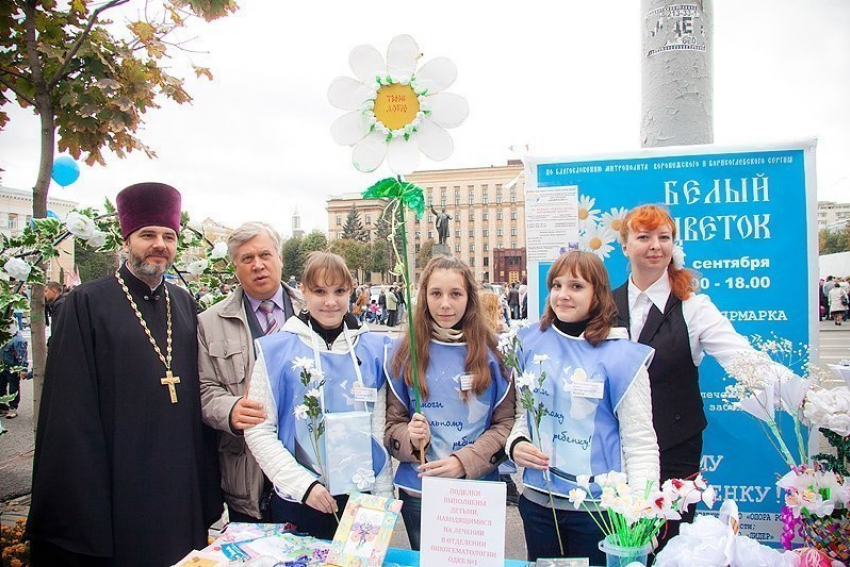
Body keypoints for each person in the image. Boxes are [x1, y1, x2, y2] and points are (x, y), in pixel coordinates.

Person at [27, 182, 222, 567]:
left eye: (168, 236)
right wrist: (86, 492)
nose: (159, 245)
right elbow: (69, 407)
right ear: (126, 239)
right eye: (147, 235)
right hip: (117, 476)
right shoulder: (86, 302)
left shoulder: (183, 302)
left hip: (178, 476)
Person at [611, 204, 794, 546]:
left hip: (675, 448)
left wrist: (803, 396)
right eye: (644, 237)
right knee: (623, 544)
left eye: (664, 237)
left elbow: (743, 358)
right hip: (615, 449)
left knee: (667, 545)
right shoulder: (606, 304)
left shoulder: (694, 306)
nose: (655, 245)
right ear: (625, 246)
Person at [506, 251, 658, 564]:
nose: (562, 295)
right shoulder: (531, 342)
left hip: (598, 514)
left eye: (576, 286)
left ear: (598, 294)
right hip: (538, 504)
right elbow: (526, 415)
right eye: (556, 285)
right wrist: (516, 444)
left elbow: (640, 442)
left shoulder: (621, 356)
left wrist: (641, 513)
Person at [244, 252, 394, 540]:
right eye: (320, 291)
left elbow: (378, 431)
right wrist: (303, 486)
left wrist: (382, 498)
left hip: (362, 499)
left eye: (339, 291)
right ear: (303, 290)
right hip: (301, 498)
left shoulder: (375, 349)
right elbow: (259, 429)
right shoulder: (276, 350)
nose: (330, 301)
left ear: (351, 291)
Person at [385, 256, 515, 550]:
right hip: (420, 490)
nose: (445, 304)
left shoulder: (495, 353)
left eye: (455, 294)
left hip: (476, 491)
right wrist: (409, 438)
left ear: (470, 298)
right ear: (424, 296)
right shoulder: (404, 351)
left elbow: (506, 424)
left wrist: (464, 462)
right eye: (436, 294)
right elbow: (392, 424)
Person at [198, 222, 305, 524]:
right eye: (247, 259)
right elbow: (204, 389)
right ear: (235, 267)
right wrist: (229, 410)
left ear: (280, 259)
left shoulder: (313, 311)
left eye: (265, 255)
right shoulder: (209, 323)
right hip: (247, 475)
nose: (258, 265)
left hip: (311, 469)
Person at [0, 321, 27, 419]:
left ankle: (13, 408)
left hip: (13, 368)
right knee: (0, 388)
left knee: (13, 389)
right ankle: (2, 406)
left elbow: (22, 356)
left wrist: (23, 369)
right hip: (2, 367)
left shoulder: (18, 340)